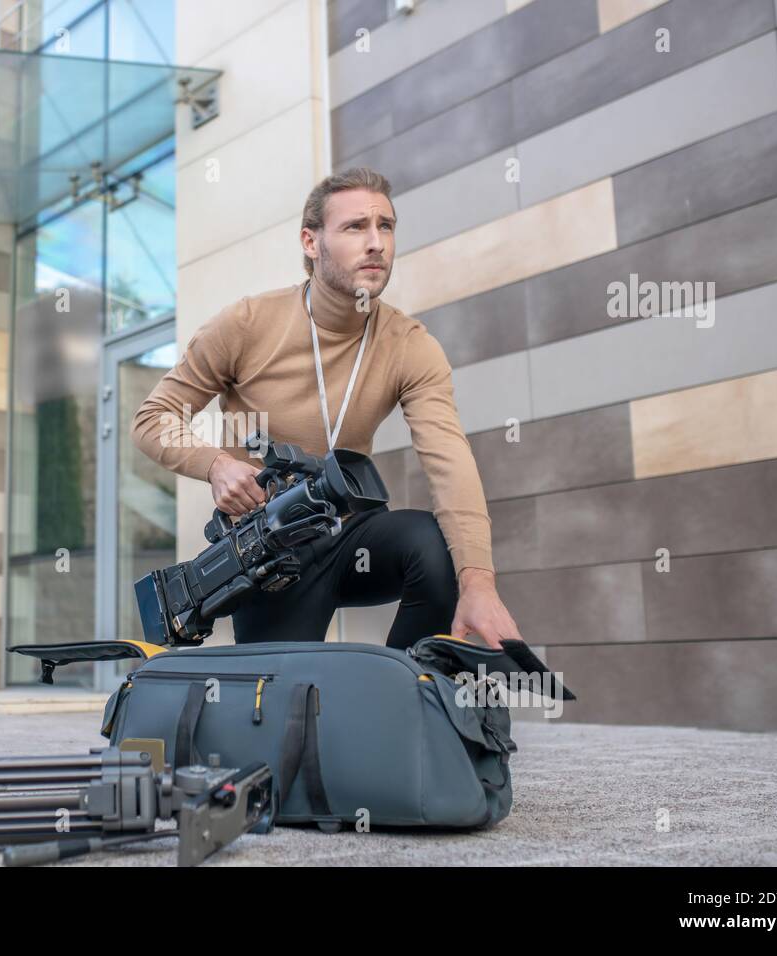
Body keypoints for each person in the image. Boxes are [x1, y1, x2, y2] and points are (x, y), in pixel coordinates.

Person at [130, 167, 524, 651]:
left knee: (435, 545)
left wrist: (479, 582)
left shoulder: (410, 345)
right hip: (269, 550)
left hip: (350, 535)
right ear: (311, 242)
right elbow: (154, 418)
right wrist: (216, 465)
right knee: (282, 711)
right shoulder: (248, 323)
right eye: (355, 227)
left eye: (386, 226)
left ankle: (399, 692)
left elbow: (450, 462)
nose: (376, 242)